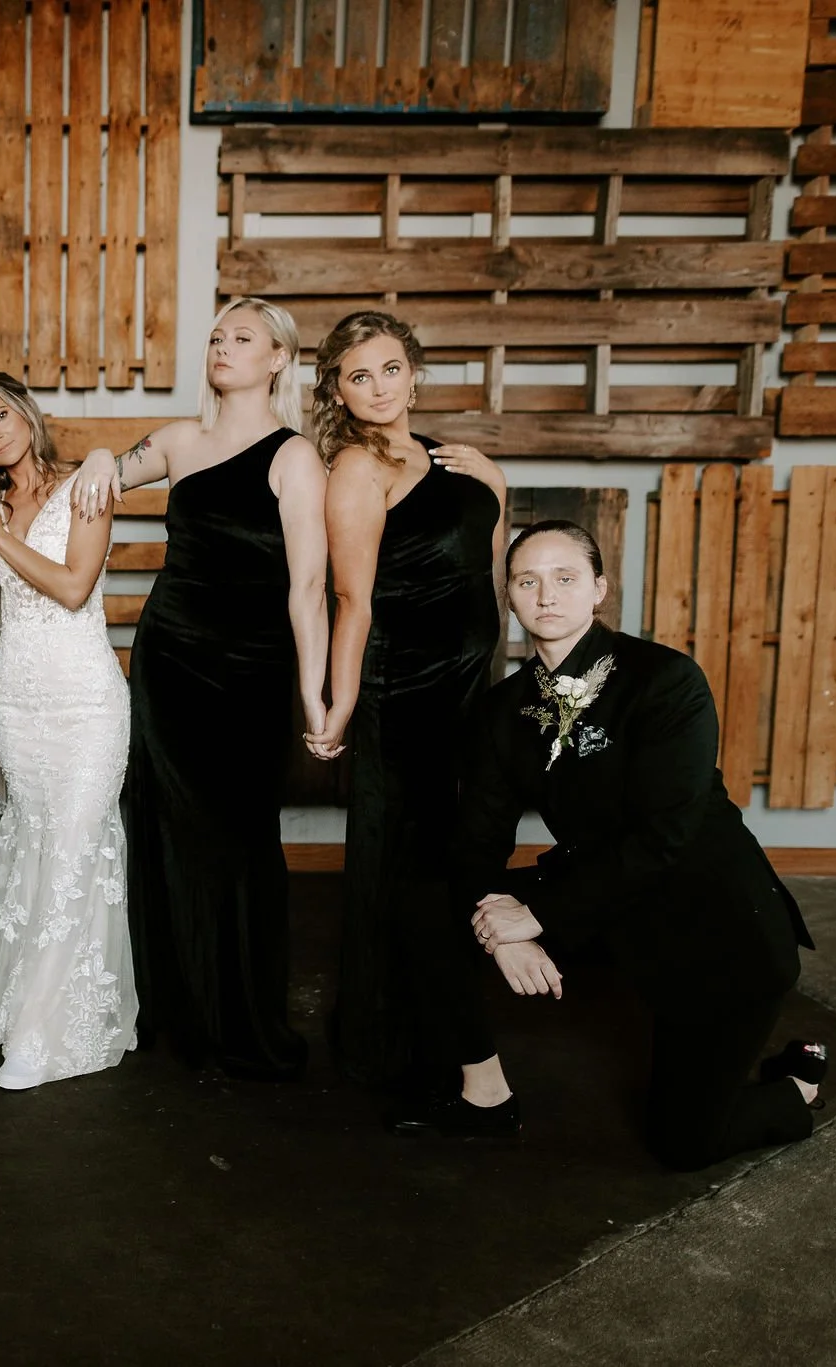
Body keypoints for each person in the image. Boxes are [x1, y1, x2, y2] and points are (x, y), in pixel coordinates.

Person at [400, 519, 824, 1168]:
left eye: (565, 577)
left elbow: (664, 839)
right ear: (509, 597)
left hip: (716, 924)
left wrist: (535, 915)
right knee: (430, 902)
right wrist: (499, 927)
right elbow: (475, 841)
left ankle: (798, 1083)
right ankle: (485, 1096)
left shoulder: (666, 680)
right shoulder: (502, 710)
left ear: (599, 589)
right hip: (608, 898)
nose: (546, 595)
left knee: (685, 1145)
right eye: (527, 581)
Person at [71, 297, 329, 1078]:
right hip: (171, 659)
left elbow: (308, 587)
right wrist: (97, 456)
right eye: (216, 336)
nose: (222, 346)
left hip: (251, 669)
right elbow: (107, 476)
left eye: (242, 337)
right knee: (164, 827)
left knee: (241, 837)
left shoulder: (294, 456)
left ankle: (242, 1016)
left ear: (278, 359)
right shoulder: (180, 440)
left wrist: (315, 694)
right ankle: (177, 1010)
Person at [303, 311, 506, 1087]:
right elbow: (351, 599)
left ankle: (445, 1009)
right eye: (360, 375)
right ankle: (391, 1029)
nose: (380, 387)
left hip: (468, 685)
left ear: (414, 374)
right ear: (339, 392)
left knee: (454, 847)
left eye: (391, 368)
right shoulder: (358, 467)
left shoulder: (447, 454)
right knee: (408, 857)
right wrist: (342, 703)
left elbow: (487, 565)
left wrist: (498, 484)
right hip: (410, 686)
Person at [0, 371, 136, 1090]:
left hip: (86, 701)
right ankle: (19, 1004)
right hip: (18, 703)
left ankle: (47, 1035)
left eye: (0, 415)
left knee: (77, 852)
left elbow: (74, 586)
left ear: (25, 411)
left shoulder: (86, 485)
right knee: (31, 850)